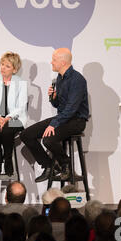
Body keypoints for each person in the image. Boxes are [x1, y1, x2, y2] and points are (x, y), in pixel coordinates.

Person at [20, 48, 89, 182]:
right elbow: (59, 105)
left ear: (63, 62)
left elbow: (71, 109)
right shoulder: (59, 78)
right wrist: (53, 97)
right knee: (26, 135)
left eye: (54, 60)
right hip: (64, 118)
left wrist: (53, 124)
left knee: (48, 139)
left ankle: (66, 164)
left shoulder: (77, 79)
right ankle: (48, 166)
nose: (51, 62)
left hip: (76, 120)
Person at [0, 51, 27, 175]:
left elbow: (21, 105)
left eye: (7, 66)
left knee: (8, 129)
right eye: (2, 64)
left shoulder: (21, 84)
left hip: (15, 117)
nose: (3, 68)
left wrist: (7, 117)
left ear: (14, 69)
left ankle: (8, 159)